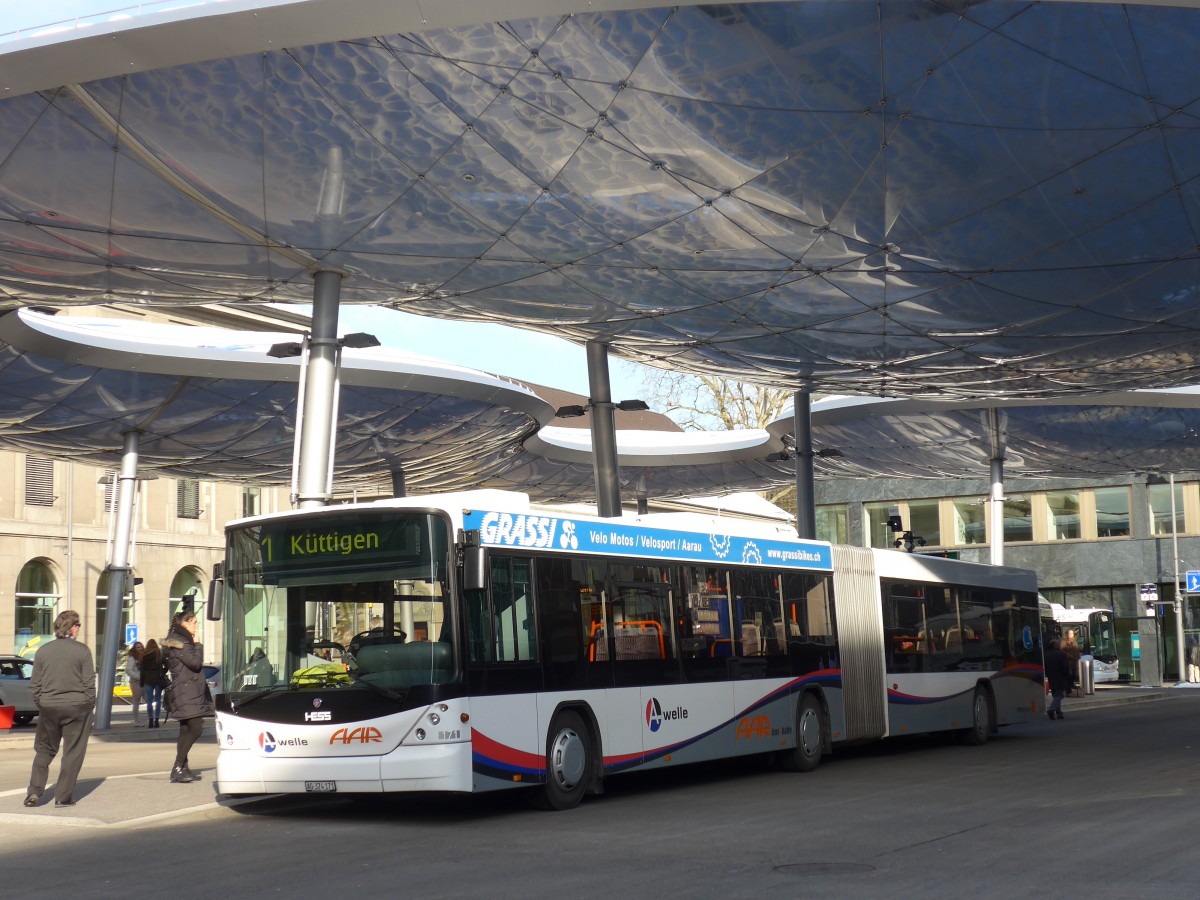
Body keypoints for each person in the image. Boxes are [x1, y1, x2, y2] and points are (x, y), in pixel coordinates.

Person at [24, 610, 96, 809]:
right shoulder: (82, 651)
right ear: (73, 627)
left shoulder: (43, 651)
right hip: (77, 706)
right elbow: (89, 683)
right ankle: (62, 797)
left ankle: (34, 793)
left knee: (44, 750)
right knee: (72, 752)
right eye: (79, 625)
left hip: (49, 706)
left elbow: (35, 683)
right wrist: (89, 704)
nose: (79, 628)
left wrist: (42, 703)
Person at [162, 610, 214, 784]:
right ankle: (177, 767)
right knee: (196, 728)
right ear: (185, 624)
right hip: (187, 691)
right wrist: (198, 644)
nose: (196, 625)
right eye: (194, 622)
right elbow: (196, 663)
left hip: (185, 690)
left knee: (185, 730)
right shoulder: (181, 642)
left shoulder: (177, 640)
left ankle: (183, 767)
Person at [139, 639, 167, 728]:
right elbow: (167, 665)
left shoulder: (144, 656)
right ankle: (157, 720)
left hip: (148, 680)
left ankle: (150, 720)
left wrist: (141, 681)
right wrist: (162, 672)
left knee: (150, 701)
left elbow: (142, 671)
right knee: (158, 700)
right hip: (158, 679)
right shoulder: (159, 655)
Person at [1044, 638, 1072, 721]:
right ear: (1055, 645)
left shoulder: (1047, 654)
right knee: (1060, 694)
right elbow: (1065, 667)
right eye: (1058, 644)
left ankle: (1059, 712)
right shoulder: (1062, 654)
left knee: (1055, 694)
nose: (1060, 645)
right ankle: (1052, 709)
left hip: (1051, 676)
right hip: (1060, 676)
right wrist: (1067, 676)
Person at [125, 641, 145, 726]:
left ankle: (152, 719)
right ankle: (136, 720)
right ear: (134, 648)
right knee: (136, 702)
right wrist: (138, 677)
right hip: (136, 682)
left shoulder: (144, 657)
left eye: (141, 647)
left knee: (149, 700)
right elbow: (128, 670)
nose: (140, 648)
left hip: (145, 681)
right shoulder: (132, 658)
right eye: (138, 647)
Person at [1061, 630, 1082, 696]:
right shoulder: (1064, 641)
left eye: (1072, 633)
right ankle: (1068, 688)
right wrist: (1069, 656)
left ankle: (1071, 687)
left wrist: (1078, 657)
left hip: (1074, 662)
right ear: (1067, 634)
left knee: (1073, 675)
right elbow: (1061, 650)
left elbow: (1077, 650)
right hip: (1068, 661)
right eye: (1069, 633)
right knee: (1069, 675)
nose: (1071, 634)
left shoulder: (1075, 641)